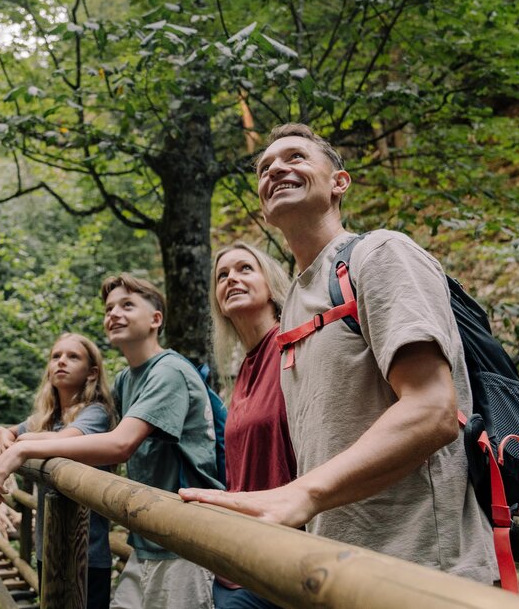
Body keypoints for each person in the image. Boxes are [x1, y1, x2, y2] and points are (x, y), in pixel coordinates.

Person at [180, 124, 499, 584]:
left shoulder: (381, 254)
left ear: (338, 182)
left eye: (295, 157)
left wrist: (302, 495)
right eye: (265, 167)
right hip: (335, 570)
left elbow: (432, 409)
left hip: (423, 570)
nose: (276, 169)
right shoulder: (290, 310)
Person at [0, 273, 222, 608]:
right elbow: (80, 430)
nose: (113, 314)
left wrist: (23, 447)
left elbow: (119, 444)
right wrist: (12, 433)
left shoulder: (169, 371)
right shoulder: (126, 379)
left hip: (186, 538)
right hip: (150, 535)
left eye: (127, 305)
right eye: (109, 308)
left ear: (156, 319)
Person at [0, 333, 116, 609]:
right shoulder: (47, 418)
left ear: (92, 372)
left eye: (73, 356)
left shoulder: (96, 413)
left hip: (86, 553)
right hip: (48, 546)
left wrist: (19, 446)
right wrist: (3, 434)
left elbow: (66, 439)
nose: (61, 362)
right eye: (56, 356)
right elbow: (9, 432)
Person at [209, 242, 296, 608]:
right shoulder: (242, 371)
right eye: (222, 275)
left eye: (245, 269)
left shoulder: (293, 348)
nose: (232, 279)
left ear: (271, 284)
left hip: (289, 558)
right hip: (238, 559)